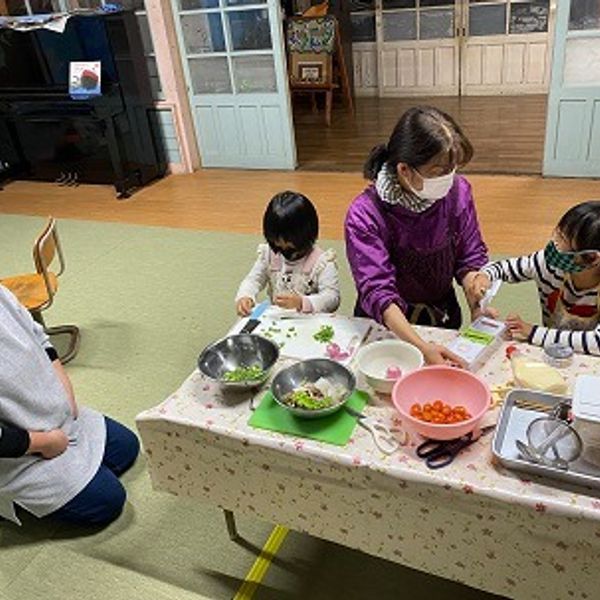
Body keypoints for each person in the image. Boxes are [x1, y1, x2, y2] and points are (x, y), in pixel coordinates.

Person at [344, 106, 489, 365]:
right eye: (438, 171)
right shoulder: (365, 214)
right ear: (404, 170)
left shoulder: (458, 192)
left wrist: (478, 304)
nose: (449, 178)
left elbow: (470, 256)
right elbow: (378, 292)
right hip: (387, 327)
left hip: (441, 317)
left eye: (453, 168)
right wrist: (421, 347)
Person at [0, 284, 139, 526]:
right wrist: (46, 443)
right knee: (109, 500)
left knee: (127, 448)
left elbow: (38, 335)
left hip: (52, 412)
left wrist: (66, 389)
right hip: (15, 451)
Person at [468, 201, 600, 356]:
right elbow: (503, 268)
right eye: (557, 233)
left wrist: (532, 332)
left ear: (591, 258)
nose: (554, 244)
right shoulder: (547, 263)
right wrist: (485, 276)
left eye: (564, 241)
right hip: (552, 350)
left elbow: (596, 343)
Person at [236, 190, 340, 315]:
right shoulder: (269, 254)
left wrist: (302, 302)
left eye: (290, 248)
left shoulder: (322, 262)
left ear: (307, 235)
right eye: (277, 246)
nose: (283, 252)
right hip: (278, 320)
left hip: (310, 323)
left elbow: (332, 298)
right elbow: (253, 280)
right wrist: (245, 296)